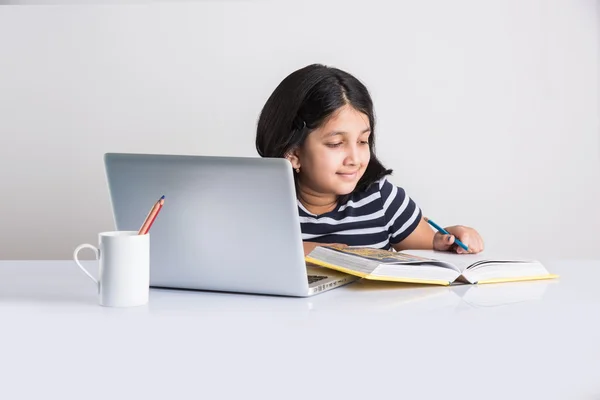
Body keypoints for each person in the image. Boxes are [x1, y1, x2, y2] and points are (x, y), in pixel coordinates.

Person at [255, 63, 484, 257]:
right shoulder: (260, 204)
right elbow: (239, 255)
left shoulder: (381, 198)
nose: (354, 158)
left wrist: (451, 239)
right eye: (336, 144)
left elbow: (434, 245)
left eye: (363, 141)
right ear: (293, 153)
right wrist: (302, 252)